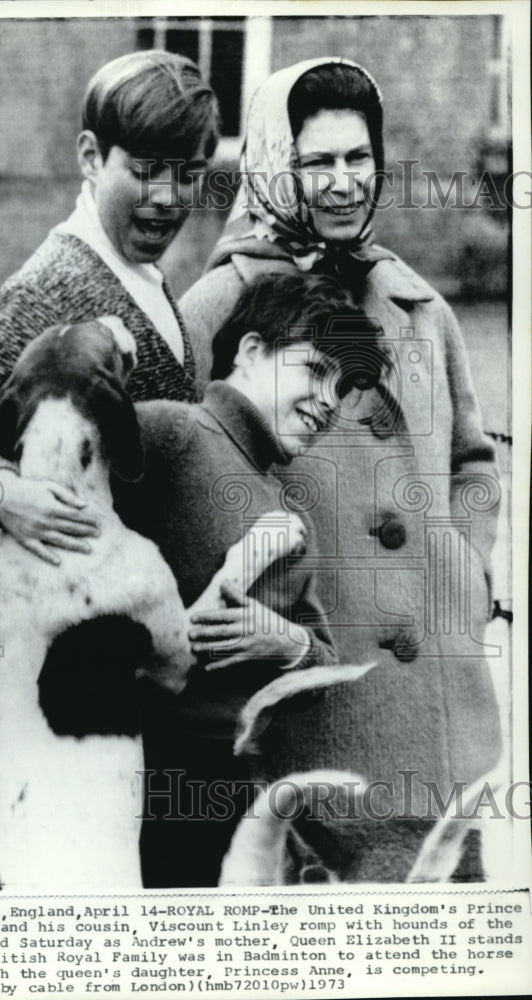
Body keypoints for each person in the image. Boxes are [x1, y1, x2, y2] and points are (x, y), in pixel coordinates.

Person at [179, 58, 502, 880]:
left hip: (435, 706)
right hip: (310, 709)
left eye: (357, 158)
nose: (342, 182)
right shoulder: (219, 309)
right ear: (274, 166)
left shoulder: (416, 303)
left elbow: (471, 459)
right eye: (316, 161)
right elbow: (176, 467)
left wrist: (460, 567)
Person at [110, 271, 389, 888]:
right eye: (316, 371)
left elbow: (325, 657)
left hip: (237, 782)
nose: (328, 400)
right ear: (253, 352)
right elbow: (60, 463)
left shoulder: (287, 507)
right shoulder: (176, 431)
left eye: (342, 389)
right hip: (143, 767)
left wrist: (282, 640)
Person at [0, 49, 219, 563]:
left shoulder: (136, 270)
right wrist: (1, 492)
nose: (167, 196)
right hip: (94, 616)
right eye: (147, 169)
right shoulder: (54, 283)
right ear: (91, 157)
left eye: (188, 175)